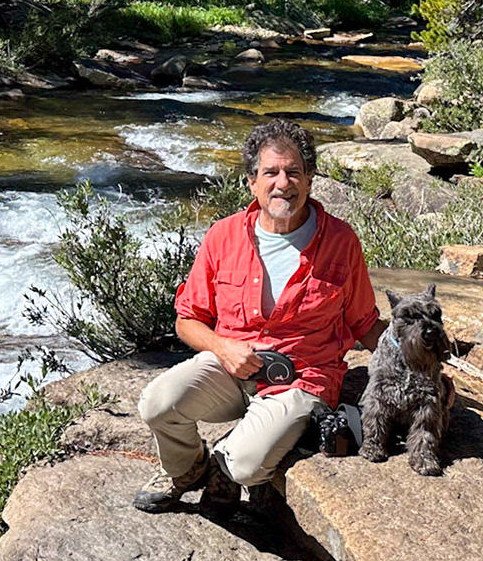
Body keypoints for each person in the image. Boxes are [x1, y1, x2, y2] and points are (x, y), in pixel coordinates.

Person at [132, 119, 384, 512]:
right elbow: (187, 320)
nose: (283, 183)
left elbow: (365, 323)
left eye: (294, 172)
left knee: (247, 466)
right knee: (157, 403)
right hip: (230, 369)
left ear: (310, 180)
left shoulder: (340, 241)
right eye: (271, 172)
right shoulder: (223, 236)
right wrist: (222, 346)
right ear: (252, 182)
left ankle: (226, 462)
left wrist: (420, 362)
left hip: (301, 379)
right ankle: (187, 469)